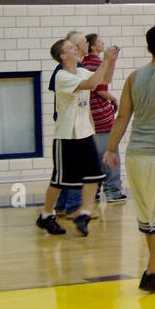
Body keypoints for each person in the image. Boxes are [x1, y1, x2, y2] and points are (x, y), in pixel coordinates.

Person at [102, 25, 155, 293]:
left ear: (147, 47)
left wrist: (110, 149)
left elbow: (122, 115)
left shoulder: (134, 76)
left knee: (150, 216)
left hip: (135, 155)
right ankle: (151, 273)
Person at [36, 37, 118, 237]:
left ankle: (84, 214)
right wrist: (105, 60)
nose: (75, 49)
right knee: (59, 181)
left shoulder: (81, 71)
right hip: (66, 136)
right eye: (70, 47)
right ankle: (46, 215)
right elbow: (91, 83)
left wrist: (111, 61)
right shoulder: (61, 76)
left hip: (84, 133)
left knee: (94, 175)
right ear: (63, 56)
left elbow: (104, 81)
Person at [82, 34, 126, 203]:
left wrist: (111, 61)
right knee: (110, 154)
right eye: (100, 42)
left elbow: (105, 81)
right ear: (93, 46)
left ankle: (93, 192)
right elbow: (101, 88)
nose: (103, 44)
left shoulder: (85, 64)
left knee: (95, 158)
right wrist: (113, 99)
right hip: (101, 116)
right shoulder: (95, 63)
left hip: (91, 119)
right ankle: (113, 191)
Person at [49, 29, 87, 216]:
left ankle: (62, 206)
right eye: (83, 43)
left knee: (67, 170)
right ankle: (73, 207)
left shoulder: (79, 68)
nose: (86, 46)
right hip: (69, 126)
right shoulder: (63, 72)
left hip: (76, 124)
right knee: (74, 169)